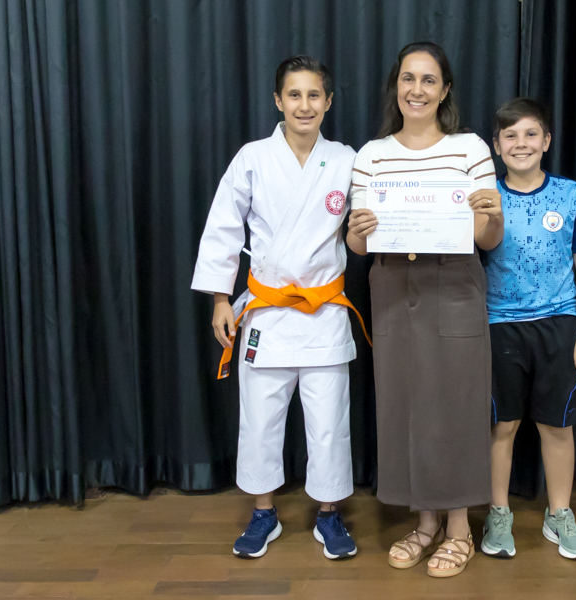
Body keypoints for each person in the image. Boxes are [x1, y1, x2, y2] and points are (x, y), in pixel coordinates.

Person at [191, 56, 367, 561]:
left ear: (328, 102)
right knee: (261, 419)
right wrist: (220, 299)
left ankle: (329, 514)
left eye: (314, 95)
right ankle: (263, 512)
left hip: (324, 310)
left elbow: (365, 221)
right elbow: (223, 226)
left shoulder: (346, 160)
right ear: (278, 101)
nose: (304, 105)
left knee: (329, 422)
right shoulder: (252, 157)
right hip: (266, 312)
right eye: (294, 95)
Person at [346, 41, 504, 578]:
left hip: (453, 282)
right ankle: (425, 522)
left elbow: (488, 238)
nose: (417, 90)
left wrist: (492, 215)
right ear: (396, 85)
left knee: (454, 405)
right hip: (393, 283)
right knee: (405, 405)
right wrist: (357, 230)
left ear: (445, 90)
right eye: (408, 78)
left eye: (429, 80)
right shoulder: (371, 155)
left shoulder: (469, 149)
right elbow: (359, 246)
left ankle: (459, 529)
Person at [480, 98, 576, 560]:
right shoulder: (486, 197)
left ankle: (559, 514)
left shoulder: (570, 195)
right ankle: (498, 513)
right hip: (500, 325)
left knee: (557, 426)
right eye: (510, 136)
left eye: (531, 134)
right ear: (496, 146)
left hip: (559, 325)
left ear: (546, 141)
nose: (521, 144)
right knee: (503, 426)